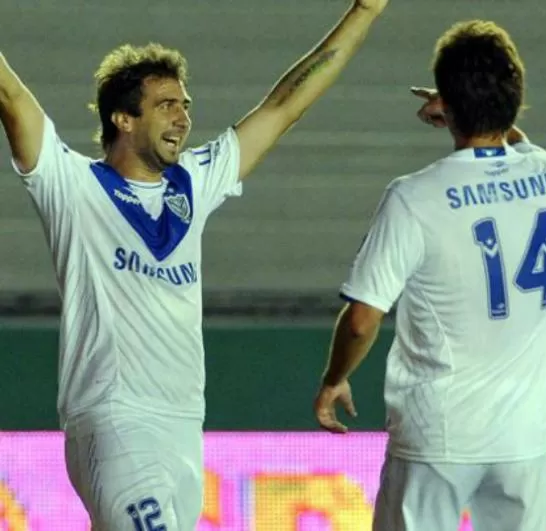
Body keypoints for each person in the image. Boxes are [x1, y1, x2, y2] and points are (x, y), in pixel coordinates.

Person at [0, 0, 388, 527]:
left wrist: (365, 10)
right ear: (123, 118)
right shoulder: (71, 186)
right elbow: (9, 93)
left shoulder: (194, 181)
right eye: (165, 105)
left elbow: (283, 106)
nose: (183, 117)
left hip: (184, 429)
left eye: (185, 104)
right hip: (116, 422)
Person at [312, 20, 546, 531]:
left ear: (446, 108)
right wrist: (471, 102)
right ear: (516, 99)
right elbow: (516, 143)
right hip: (524, 443)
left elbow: (363, 318)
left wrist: (334, 378)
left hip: (438, 437)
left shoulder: (414, 198)